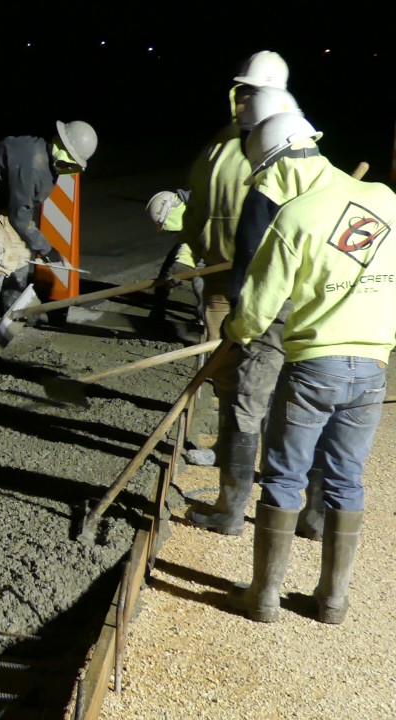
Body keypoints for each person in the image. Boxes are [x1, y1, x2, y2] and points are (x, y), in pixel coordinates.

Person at [221, 111, 396, 624]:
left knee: (283, 478)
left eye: (266, 175)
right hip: (371, 368)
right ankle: (333, 602)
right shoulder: (387, 201)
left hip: (313, 368)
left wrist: (235, 334)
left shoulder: (295, 217)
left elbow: (257, 307)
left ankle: (265, 597)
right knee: (346, 480)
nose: (267, 187)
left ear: (285, 165)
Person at [186, 96, 326, 538]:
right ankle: (317, 516)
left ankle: (229, 513)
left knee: (248, 409)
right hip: (323, 316)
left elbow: (250, 267)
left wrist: (239, 325)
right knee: (315, 413)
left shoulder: (267, 188)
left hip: (274, 316)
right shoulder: (335, 185)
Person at [169, 50, 289, 470]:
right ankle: (227, 450)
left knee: (268, 376)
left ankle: (278, 465)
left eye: (251, 94)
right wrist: (187, 252)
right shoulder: (219, 146)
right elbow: (199, 207)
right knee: (224, 371)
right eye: (240, 92)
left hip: (270, 286)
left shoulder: (286, 146)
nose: (242, 102)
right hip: (220, 281)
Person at [0, 120, 98, 343]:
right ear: (61, 145)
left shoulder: (43, 157)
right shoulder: (32, 162)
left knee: (21, 255)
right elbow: (20, 218)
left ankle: (16, 315)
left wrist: (42, 248)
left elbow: (22, 209)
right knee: (3, 255)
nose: (69, 168)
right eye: (71, 162)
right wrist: (49, 251)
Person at [145, 189, 205, 328]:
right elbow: (186, 246)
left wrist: (177, 272)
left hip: (236, 250)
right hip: (200, 237)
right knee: (169, 265)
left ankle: (208, 323)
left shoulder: (205, 214)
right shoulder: (190, 212)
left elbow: (199, 258)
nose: (171, 233)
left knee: (201, 279)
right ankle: (158, 310)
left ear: (172, 215)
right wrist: (167, 277)